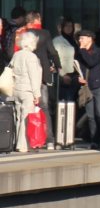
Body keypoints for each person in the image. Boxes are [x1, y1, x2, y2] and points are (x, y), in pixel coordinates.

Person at [24, 10, 59, 150]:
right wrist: (58, 65)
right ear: (36, 20)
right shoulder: (45, 34)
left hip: (25, 76)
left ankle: (27, 140)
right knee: (44, 107)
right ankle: (49, 139)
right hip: (41, 77)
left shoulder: (21, 33)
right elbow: (52, 51)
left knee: (26, 107)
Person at [75, 29, 100, 150]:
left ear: (89, 39)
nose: (80, 40)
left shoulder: (97, 51)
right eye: (79, 38)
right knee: (91, 115)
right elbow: (78, 68)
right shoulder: (79, 52)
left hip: (99, 85)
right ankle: (94, 140)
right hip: (87, 86)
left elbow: (91, 62)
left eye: (82, 38)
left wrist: (82, 50)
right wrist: (78, 78)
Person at [10, 29, 42, 153]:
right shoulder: (31, 57)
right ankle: (22, 144)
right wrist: (37, 94)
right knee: (26, 117)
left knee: (18, 116)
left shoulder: (16, 55)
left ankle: (16, 142)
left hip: (16, 89)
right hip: (27, 90)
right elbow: (34, 77)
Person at [53, 17, 80, 104]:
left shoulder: (74, 41)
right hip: (64, 75)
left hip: (74, 75)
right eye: (66, 26)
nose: (69, 28)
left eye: (71, 26)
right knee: (66, 101)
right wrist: (62, 75)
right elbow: (55, 58)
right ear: (62, 27)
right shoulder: (57, 41)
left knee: (72, 101)